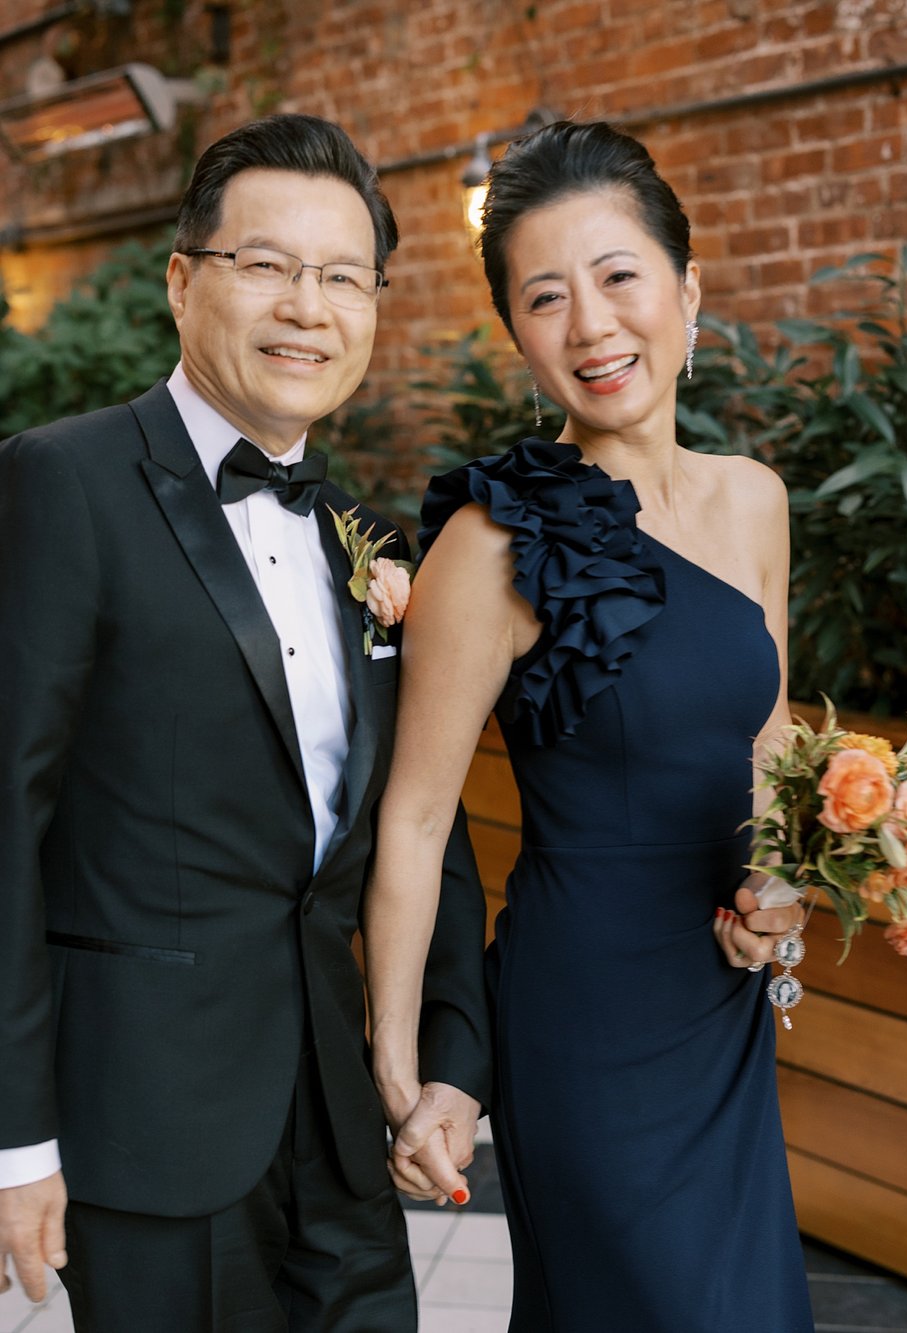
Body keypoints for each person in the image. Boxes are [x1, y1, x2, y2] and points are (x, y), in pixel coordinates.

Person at [0, 113, 490, 1333]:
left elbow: (419, 816)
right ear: (182, 281)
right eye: (264, 265)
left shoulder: (358, 537)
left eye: (341, 277)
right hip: (152, 1127)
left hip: (340, 1118)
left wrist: (449, 1060)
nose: (305, 308)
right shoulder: (61, 483)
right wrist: (14, 1145)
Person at [363, 120, 815, 1331]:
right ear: (517, 333)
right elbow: (412, 817)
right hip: (585, 1016)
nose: (593, 326)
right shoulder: (494, 544)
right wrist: (405, 1068)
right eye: (546, 298)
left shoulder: (754, 502)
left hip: (719, 1008)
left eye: (619, 277)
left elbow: (766, 740)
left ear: (687, 287)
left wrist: (778, 890)